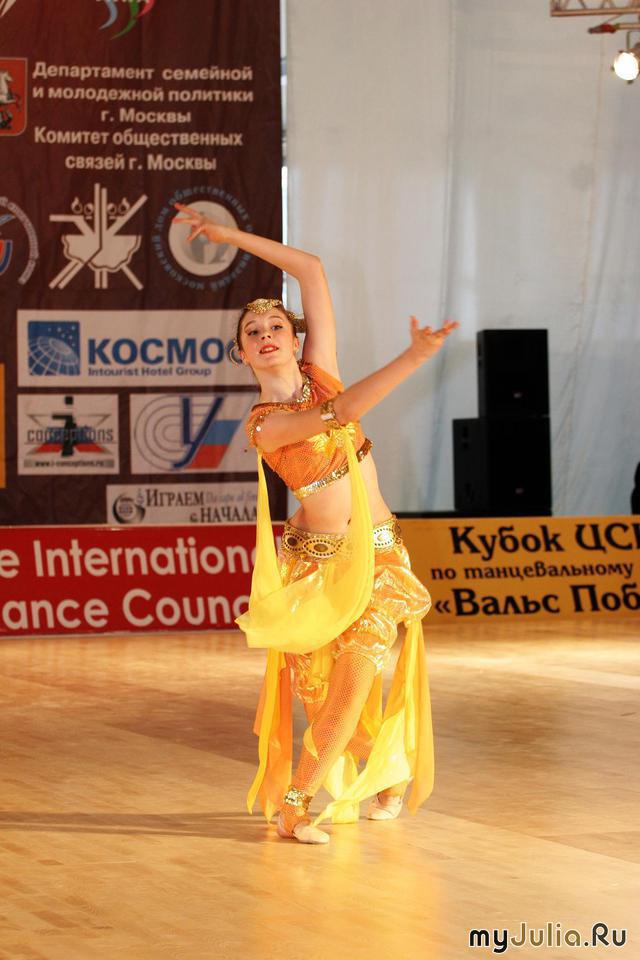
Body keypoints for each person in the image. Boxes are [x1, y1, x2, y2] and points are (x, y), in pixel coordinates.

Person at [174, 203, 459, 844]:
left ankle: (297, 805)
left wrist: (226, 235)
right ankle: (378, 776)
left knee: (356, 677)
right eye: (253, 332)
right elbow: (345, 411)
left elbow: (310, 269)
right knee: (327, 692)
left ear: (296, 339)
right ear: (241, 353)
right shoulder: (264, 425)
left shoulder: (318, 371)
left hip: (378, 556)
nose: (266, 334)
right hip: (316, 564)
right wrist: (414, 357)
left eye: (276, 324)